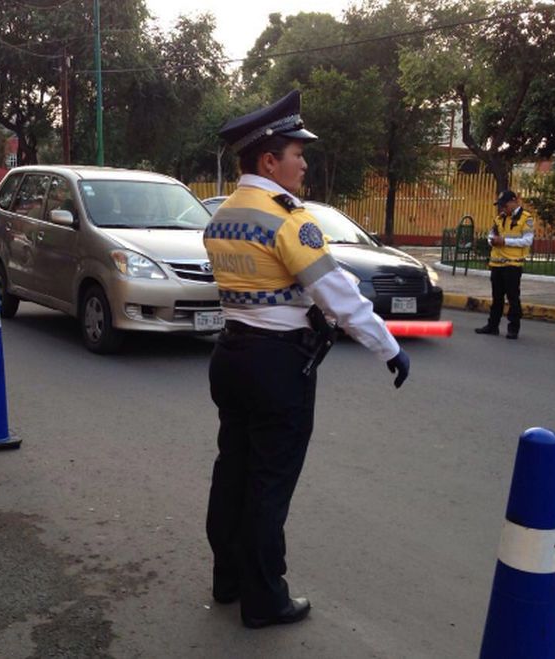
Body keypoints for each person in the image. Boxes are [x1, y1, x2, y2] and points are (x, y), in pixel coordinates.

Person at [203, 90, 410, 630]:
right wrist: (388, 346)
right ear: (269, 160)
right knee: (269, 482)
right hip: (276, 367)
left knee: (232, 470)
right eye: (297, 152)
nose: (304, 162)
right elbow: (337, 295)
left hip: (230, 357)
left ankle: (227, 577)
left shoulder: (222, 215)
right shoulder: (288, 220)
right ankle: (265, 599)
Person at [474, 190, 534, 340]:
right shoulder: (499, 218)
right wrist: (492, 240)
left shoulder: (526, 219)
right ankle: (492, 326)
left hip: (513, 265)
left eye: (504, 205)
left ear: (514, 202)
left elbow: (527, 240)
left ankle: (513, 328)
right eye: (501, 206)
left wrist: (505, 241)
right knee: (497, 298)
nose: (502, 209)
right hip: (497, 264)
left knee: (513, 298)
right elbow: (490, 235)